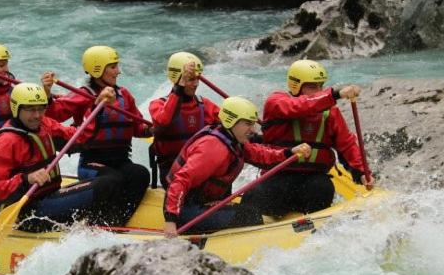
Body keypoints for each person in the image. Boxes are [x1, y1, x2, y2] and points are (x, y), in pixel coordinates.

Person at [0, 82, 142, 232]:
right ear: (16, 108)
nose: (37, 115)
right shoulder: (6, 141)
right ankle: (100, 232)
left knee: (113, 178)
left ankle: (103, 228)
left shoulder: (44, 125)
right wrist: (26, 179)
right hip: (29, 211)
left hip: (50, 198)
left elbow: (78, 136)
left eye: (41, 109)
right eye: (30, 109)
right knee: (107, 184)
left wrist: (97, 108)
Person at [242, 59, 375, 218]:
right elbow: (300, 106)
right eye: (312, 86)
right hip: (277, 177)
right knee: (253, 195)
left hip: (312, 179)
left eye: (321, 86)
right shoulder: (276, 102)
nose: (318, 90)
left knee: (323, 188)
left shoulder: (330, 112)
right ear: (295, 86)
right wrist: (335, 94)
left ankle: (315, 226)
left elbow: (346, 144)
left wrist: (361, 171)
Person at [163, 96, 310, 237]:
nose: (253, 129)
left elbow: (261, 154)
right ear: (231, 121)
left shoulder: (233, 140)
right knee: (247, 216)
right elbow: (180, 181)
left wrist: (289, 152)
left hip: (201, 202)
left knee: (251, 211)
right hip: (186, 209)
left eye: (253, 123)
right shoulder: (213, 148)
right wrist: (171, 220)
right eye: (247, 123)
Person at [43, 45, 151, 212]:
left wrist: (153, 130)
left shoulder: (124, 95)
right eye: (113, 67)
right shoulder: (84, 94)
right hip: (92, 163)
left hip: (121, 161)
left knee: (141, 173)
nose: (118, 71)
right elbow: (54, 114)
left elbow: (138, 127)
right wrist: (47, 93)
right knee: (112, 179)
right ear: (97, 69)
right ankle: (101, 221)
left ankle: (121, 218)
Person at [148, 52, 220, 188]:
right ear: (178, 79)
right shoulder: (157, 104)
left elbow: (229, 127)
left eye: (197, 79)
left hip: (198, 165)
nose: (196, 84)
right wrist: (179, 87)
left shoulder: (204, 104)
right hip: (171, 169)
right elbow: (165, 120)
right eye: (191, 80)